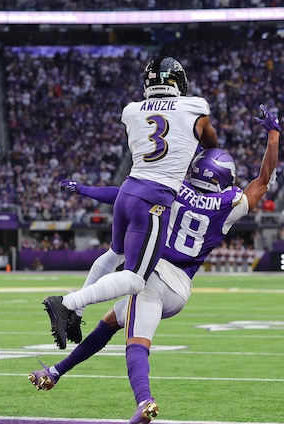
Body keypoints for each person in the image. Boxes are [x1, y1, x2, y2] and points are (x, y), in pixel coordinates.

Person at [30, 104, 280, 424]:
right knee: (110, 322)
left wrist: (84, 189)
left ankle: (143, 399)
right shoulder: (230, 203)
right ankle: (55, 373)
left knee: (137, 342)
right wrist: (273, 133)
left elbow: (121, 195)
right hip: (181, 288)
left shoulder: (173, 187)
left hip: (154, 275)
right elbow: (264, 180)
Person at [42, 56, 219, 350]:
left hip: (128, 191)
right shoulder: (195, 107)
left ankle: (77, 313)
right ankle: (68, 303)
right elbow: (210, 142)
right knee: (136, 280)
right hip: (154, 198)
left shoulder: (131, 110)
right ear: (180, 83)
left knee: (114, 254)